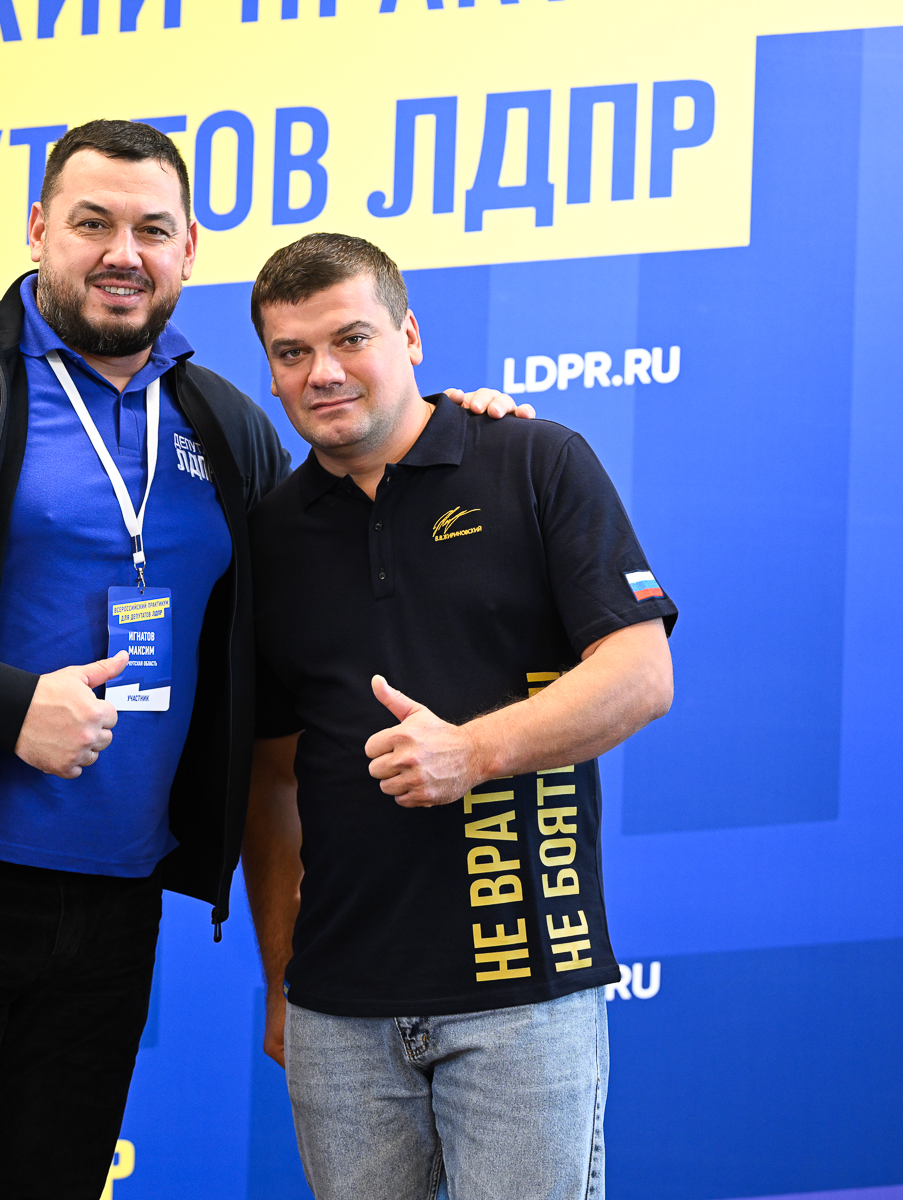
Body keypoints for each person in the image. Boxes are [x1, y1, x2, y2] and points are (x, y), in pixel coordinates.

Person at [0, 122, 525, 1199]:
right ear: (40, 230)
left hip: (113, 899)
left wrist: (469, 441)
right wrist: (6, 705)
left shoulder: (222, 423)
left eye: (152, 230)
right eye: (93, 223)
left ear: (189, 251)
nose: (123, 253)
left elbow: (343, 516)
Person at [242, 232, 677, 1200]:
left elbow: (642, 673)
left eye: (351, 339)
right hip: (338, 1012)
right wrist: (280, 978)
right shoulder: (269, 534)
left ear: (409, 336)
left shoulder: (534, 460)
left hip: (524, 991)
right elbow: (270, 779)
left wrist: (473, 752)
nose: (323, 373)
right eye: (291, 352)